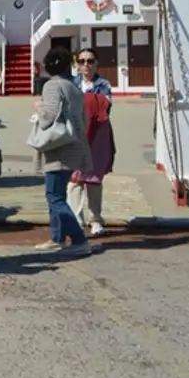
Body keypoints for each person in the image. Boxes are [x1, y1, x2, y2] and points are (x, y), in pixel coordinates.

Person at [33, 46, 94, 255]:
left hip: (57, 147)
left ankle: (79, 239)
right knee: (58, 193)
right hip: (74, 145)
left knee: (54, 197)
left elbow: (48, 116)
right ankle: (57, 237)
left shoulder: (52, 86)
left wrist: (38, 110)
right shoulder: (74, 87)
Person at [69, 47, 114, 238]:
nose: (85, 65)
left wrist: (83, 103)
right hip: (75, 135)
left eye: (89, 61)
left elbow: (105, 105)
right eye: (81, 61)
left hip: (97, 136)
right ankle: (75, 218)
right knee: (74, 179)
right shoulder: (72, 82)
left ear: (96, 64)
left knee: (94, 180)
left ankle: (95, 219)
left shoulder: (103, 84)